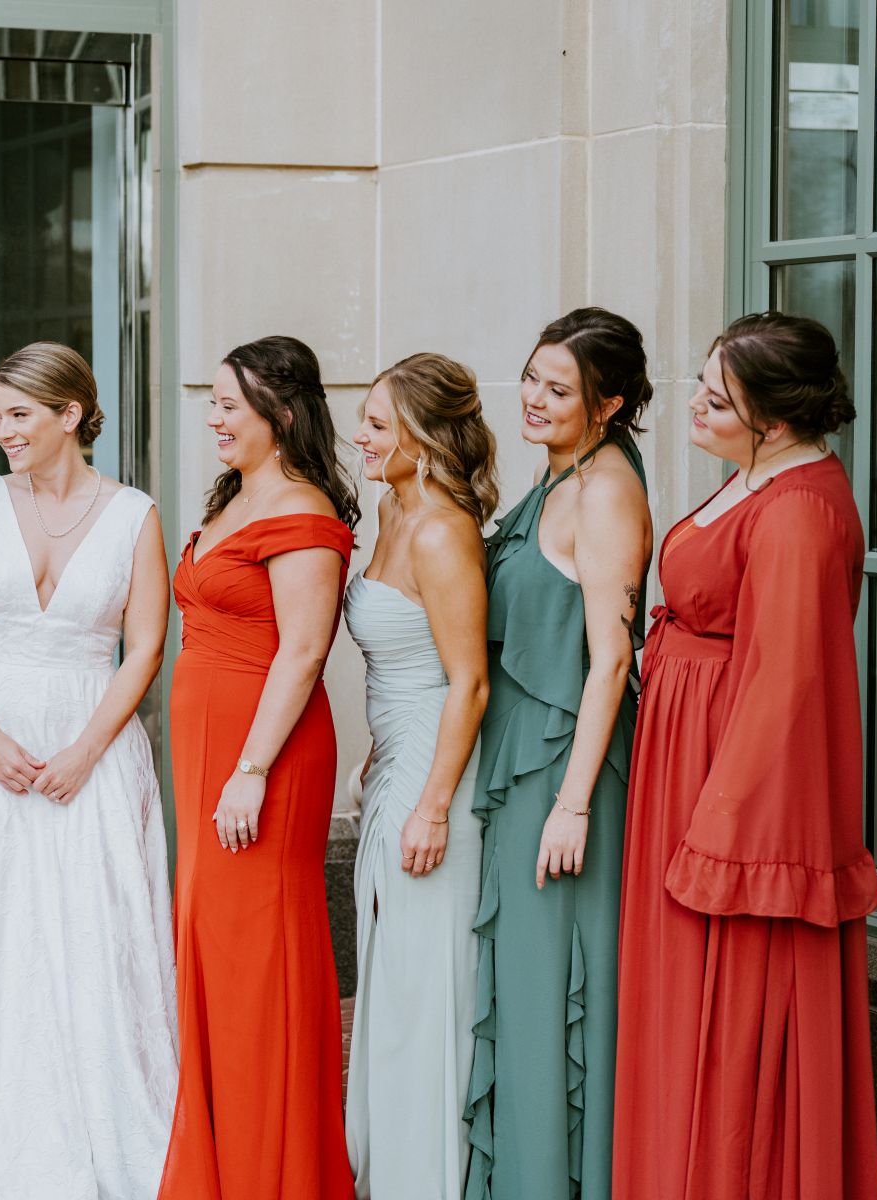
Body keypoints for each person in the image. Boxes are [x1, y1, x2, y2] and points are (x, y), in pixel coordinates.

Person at [612, 312, 877, 1199]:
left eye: (716, 397)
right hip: (684, 763)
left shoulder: (799, 509)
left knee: (723, 1023)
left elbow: (785, 692)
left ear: (770, 416)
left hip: (725, 791)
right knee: (678, 1014)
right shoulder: (755, 474)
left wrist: (720, 838)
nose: (692, 401)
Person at [0, 342, 177, 1199]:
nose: (3, 433)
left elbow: (144, 646)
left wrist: (88, 748)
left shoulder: (135, 513)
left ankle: (103, 1126)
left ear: (71, 414)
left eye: (19, 414)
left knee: (92, 932)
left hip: (91, 738)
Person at [159, 335, 359, 1200]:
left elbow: (306, 650)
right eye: (211, 401)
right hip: (212, 748)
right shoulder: (233, 497)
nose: (212, 417)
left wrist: (250, 768)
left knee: (258, 957)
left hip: (264, 754)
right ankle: (220, 1154)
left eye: (228, 405)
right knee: (211, 946)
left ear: (280, 415)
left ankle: (271, 1167)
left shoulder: (304, 509)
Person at [462, 309, 654, 1200]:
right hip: (522, 764)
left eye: (559, 388)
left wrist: (573, 804)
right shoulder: (554, 477)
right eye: (532, 378)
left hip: (567, 772)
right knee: (522, 986)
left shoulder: (608, 489)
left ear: (608, 404)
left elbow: (611, 657)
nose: (534, 400)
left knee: (554, 993)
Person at [344, 352, 496, 1198]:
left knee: (423, 992)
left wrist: (434, 808)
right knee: (390, 984)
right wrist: (378, 750)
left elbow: (467, 680)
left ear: (424, 434)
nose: (361, 437)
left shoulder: (440, 528)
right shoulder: (392, 508)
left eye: (377, 423)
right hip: (397, 763)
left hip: (437, 784)